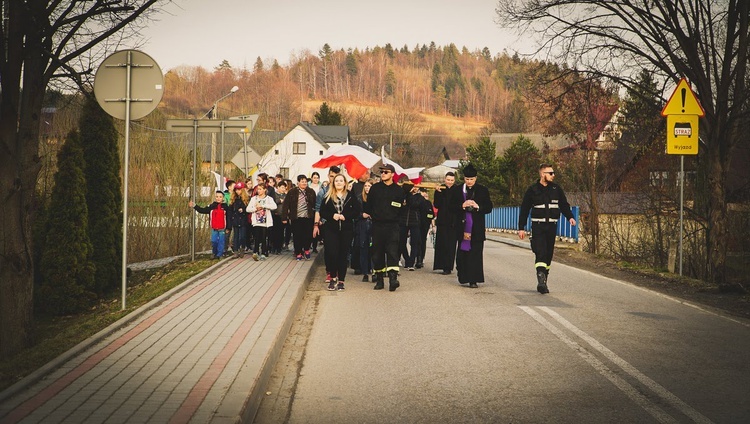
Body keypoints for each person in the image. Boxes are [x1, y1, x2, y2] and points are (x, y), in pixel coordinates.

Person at [518, 163, 576, 294]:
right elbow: (524, 209)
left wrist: (570, 217)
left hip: (552, 226)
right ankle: (540, 278)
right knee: (540, 251)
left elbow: (564, 205)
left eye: (553, 173)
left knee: (548, 254)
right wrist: (521, 227)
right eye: (551, 173)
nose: (553, 175)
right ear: (543, 174)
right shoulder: (532, 190)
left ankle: (544, 279)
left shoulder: (556, 189)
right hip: (538, 226)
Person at [449, 163, 493, 288]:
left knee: (475, 254)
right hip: (462, 228)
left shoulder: (483, 190)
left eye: (471, 179)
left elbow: (489, 207)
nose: (469, 182)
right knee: (462, 254)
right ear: (464, 178)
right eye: (467, 179)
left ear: (476, 178)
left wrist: (478, 207)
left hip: (477, 227)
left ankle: (474, 279)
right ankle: (463, 276)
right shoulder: (458, 190)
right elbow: (450, 207)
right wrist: (461, 206)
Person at [364, 164, 406, 291]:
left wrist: (397, 221)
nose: (383, 174)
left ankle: (393, 279)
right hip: (377, 225)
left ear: (392, 174)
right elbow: (368, 206)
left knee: (392, 251)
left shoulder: (398, 190)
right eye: (382, 172)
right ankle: (380, 279)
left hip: (392, 226)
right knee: (377, 253)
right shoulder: (375, 189)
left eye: (386, 172)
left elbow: (402, 209)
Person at [319, 174, 361, 291]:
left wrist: (345, 216)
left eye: (341, 181)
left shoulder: (350, 196)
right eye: (336, 181)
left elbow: (357, 211)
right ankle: (333, 278)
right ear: (333, 183)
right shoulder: (327, 196)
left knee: (343, 255)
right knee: (332, 254)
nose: (338, 182)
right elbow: (322, 212)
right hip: (331, 229)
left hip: (346, 229)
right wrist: (333, 215)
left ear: (344, 183)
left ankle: (341, 280)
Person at [281, 174, 317, 260]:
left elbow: (315, 204)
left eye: (305, 182)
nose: (304, 183)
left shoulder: (311, 191)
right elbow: (286, 205)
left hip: (308, 217)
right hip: (296, 217)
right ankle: (298, 252)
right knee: (297, 235)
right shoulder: (292, 192)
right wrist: (284, 217)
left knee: (308, 235)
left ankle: (306, 249)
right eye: (302, 182)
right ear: (298, 182)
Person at [189, 191, 229, 260]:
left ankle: (220, 254)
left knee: (221, 241)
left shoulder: (226, 207)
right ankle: (214, 252)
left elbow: (229, 217)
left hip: (222, 227)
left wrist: (228, 227)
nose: (218, 198)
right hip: (214, 227)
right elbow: (202, 210)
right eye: (217, 197)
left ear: (223, 198)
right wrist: (195, 206)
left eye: (220, 197)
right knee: (214, 241)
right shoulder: (212, 206)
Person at [433, 171, 458, 274]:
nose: (450, 182)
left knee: (451, 245)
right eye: (448, 180)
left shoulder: (457, 190)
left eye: (452, 180)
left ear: (454, 180)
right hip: (442, 220)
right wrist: (438, 193)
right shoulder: (440, 189)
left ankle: (448, 267)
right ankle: (441, 265)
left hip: (453, 221)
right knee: (442, 243)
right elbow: (437, 205)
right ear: (445, 179)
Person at [399, 181, 424, 271]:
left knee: (414, 242)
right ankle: (407, 258)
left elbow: (414, 204)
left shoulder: (420, 197)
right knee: (401, 242)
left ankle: (411, 262)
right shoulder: (404, 195)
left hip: (415, 222)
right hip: (403, 221)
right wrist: (406, 192)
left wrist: (410, 194)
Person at [248, 183, 277, 260]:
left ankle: (264, 252)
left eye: (260, 189)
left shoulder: (268, 199)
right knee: (256, 237)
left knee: (264, 237)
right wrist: (255, 209)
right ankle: (256, 252)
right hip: (256, 221)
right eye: (258, 189)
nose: (259, 191)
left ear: (265, 190)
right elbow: (248, 209)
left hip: (265, 222)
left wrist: (264, 206)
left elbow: (274, 206)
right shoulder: (254, 199)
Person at [357, 178, 375, 281]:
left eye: (369, 186)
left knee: (373, 249)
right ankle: (365, 272)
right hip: (362, 226)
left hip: (373, 226)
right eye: (366, 186)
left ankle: (374, 271)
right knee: (363, 249)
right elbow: (355, 213)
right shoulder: (360, 198)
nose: (367, 188)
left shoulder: (376, 199)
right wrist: (361, 215)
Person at [229, 181, 250, 258]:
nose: (238, 191)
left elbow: (249, 209)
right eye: (236, 190)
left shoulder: (246, 199)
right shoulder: (233, 199)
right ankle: (236, 250)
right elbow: (230, 210)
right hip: (235, 220)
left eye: (239, 190)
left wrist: (243, 210)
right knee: (236, 236)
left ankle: (242, 248)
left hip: (243, 220)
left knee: (242, 236)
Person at [417, 188, 435, 269]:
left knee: (422, 241)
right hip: (416, 224)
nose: (424, 195)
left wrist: (430, 222)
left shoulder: (428, 203)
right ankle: (416, 257)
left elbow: (432, 215)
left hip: (425, 225)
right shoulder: (417, 201)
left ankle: (420, 259)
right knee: (415, 242)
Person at [271, 180, 288, 254]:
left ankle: (279, 248)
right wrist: (280, 201)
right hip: (275, 215)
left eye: (284, 188)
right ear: (278, 187)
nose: (283, 189)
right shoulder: (274, 195)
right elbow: (274, 202)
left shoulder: (286, 196)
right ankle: (273, 247)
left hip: (283, 216)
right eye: (282, 187)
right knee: (274, 232)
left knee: (281, 233)